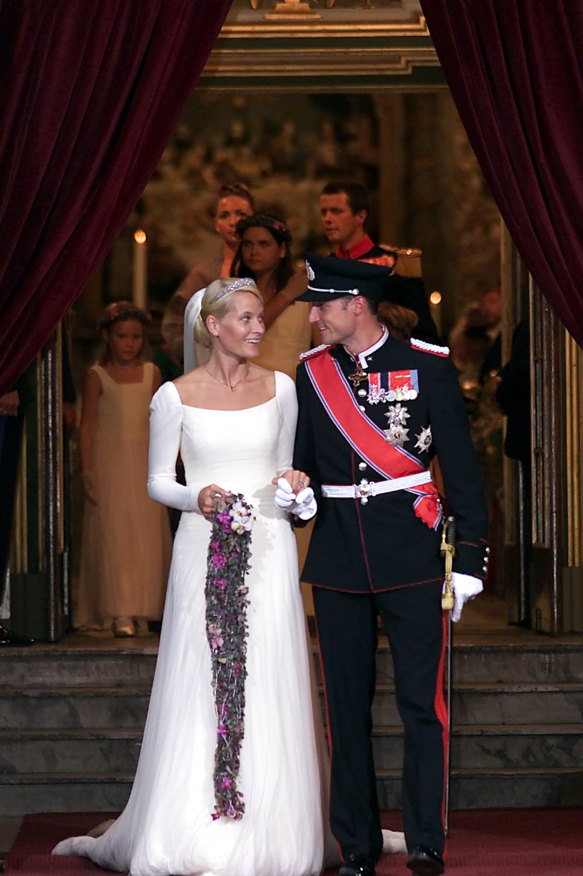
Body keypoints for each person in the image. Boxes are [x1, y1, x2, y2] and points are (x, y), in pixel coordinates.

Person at [54, 278, 405, 876]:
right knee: (203, 675)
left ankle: (279, 830)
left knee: (270, 674)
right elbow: (156, 482)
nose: (257, 327)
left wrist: (297, 492)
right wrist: (201, 497)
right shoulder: (174, 395)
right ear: (213, 327)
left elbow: (291, 475)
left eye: (258, 318)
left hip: (268, 549)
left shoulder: (283, 389)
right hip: (204, 543)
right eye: (245, 318)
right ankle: (191, 825)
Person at [292, 255, 489, 876]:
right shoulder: (311, 374)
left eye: (323, 303)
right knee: (345, 710)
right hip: (339, 556)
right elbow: (303, 465)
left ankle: (427, 841)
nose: (314, 314)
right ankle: (357, 846)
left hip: (413, 554)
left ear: (356, 304)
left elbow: (459, 470)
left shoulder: (428, 368)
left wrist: (471, 560)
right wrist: (297, 502)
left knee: (419, 706)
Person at [75, 302, 171, 637]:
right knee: (115, 534)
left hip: (144, 461)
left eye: (135, 337)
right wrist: (87, 469)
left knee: (143, 535)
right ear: (106, 336)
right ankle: (119, 611)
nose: (129, 343)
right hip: (111, 463)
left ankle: (142, 607)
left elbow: (161, 421)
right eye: (121, 336)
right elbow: (87, 426)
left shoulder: (151, 373)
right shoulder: (96, 376)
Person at [319, 179, 440, 344]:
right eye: (324, 212)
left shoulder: (397, 264)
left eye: (336, 211)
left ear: (360, 216)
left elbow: (423, 332)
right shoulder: (321, 268)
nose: (327, 219)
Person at [231, 211, 312, 378]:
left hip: (293, 389)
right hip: (245, 388)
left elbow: (323, 347)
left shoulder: (305, 293)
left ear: (282, 250)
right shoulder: (233, 292)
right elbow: (240, 336)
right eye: (247, 244)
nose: (254, 251)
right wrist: (286, 295)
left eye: (263, 244)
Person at [177, 182, 255, 301]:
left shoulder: (269, 271)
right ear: (216, 224)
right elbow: (177, 316)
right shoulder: (202, 276)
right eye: (224, 215)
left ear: (254, 219)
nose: (233, 222)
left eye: (241, 214)